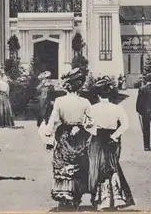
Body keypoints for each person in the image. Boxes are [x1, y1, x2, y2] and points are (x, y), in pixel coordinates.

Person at [45, 68, 94, 210]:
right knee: (79, 163)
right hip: (80, 135)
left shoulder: (59, 101)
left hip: (64, 134)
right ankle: (77, 195)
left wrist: (48, 137)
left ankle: (64, 194)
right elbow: (91, 121)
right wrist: (82, 125)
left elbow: (53, 120)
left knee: (63, 163)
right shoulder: (85, 102)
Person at [87, 78, 134, 210]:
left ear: (97, 94)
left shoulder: (92, 108)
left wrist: (95, 132)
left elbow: (86, 125)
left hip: (97, 139)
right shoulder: (117, 108)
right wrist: (114, 136)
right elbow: (125, 125)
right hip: (113, 140)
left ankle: (103, 200)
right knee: (113, 166)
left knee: (99, 167)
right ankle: (118, 199)